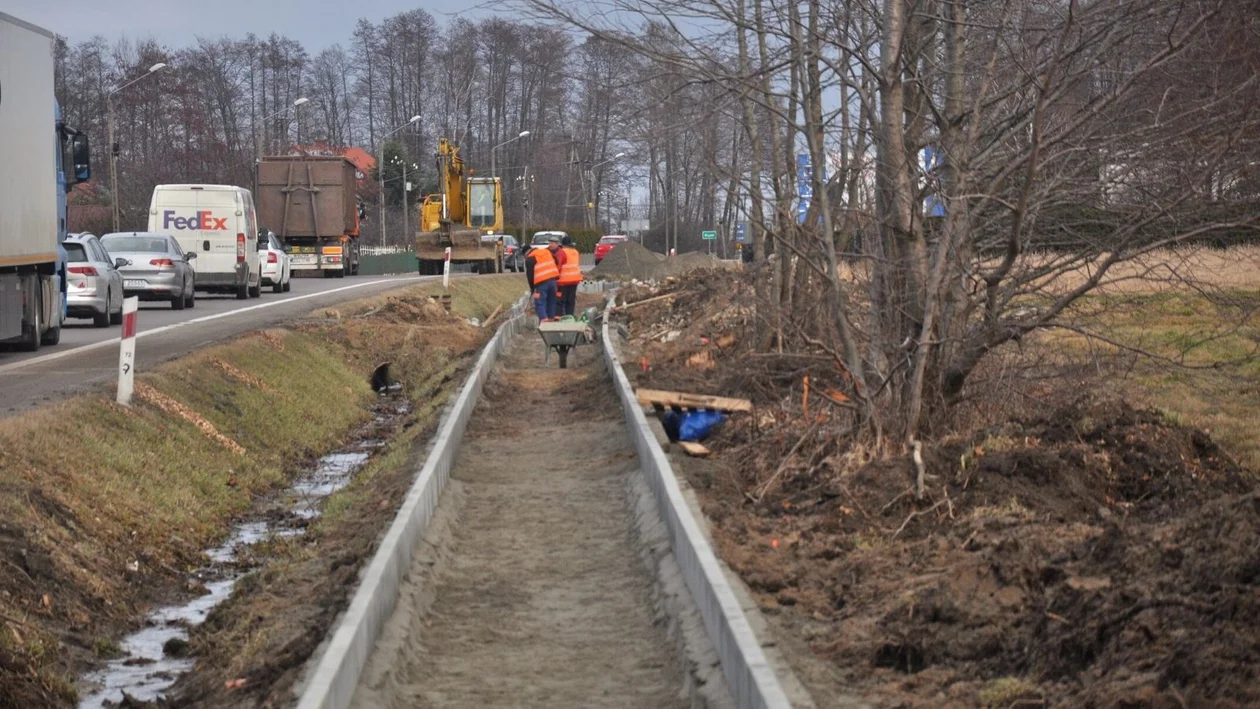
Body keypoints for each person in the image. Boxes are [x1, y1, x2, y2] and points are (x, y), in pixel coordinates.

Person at [525, 234, 561, 321]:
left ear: (527, 253)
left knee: (539, 301)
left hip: (542, 283)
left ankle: (544, 320)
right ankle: (551, 319)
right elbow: (556, 260)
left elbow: (530, 276)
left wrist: (532, 289)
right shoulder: (546, 252)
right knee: (551, 301)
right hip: (553, 280)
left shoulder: (530, 258)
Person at [556, 235, 582, 317]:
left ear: (562, 244)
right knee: (571, 300)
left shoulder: (561, 252)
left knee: (560, 300)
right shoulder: (575, 252)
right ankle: (570, 316)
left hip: (563, 281)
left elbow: (558, 266)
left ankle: (560, 317)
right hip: (575, 280)